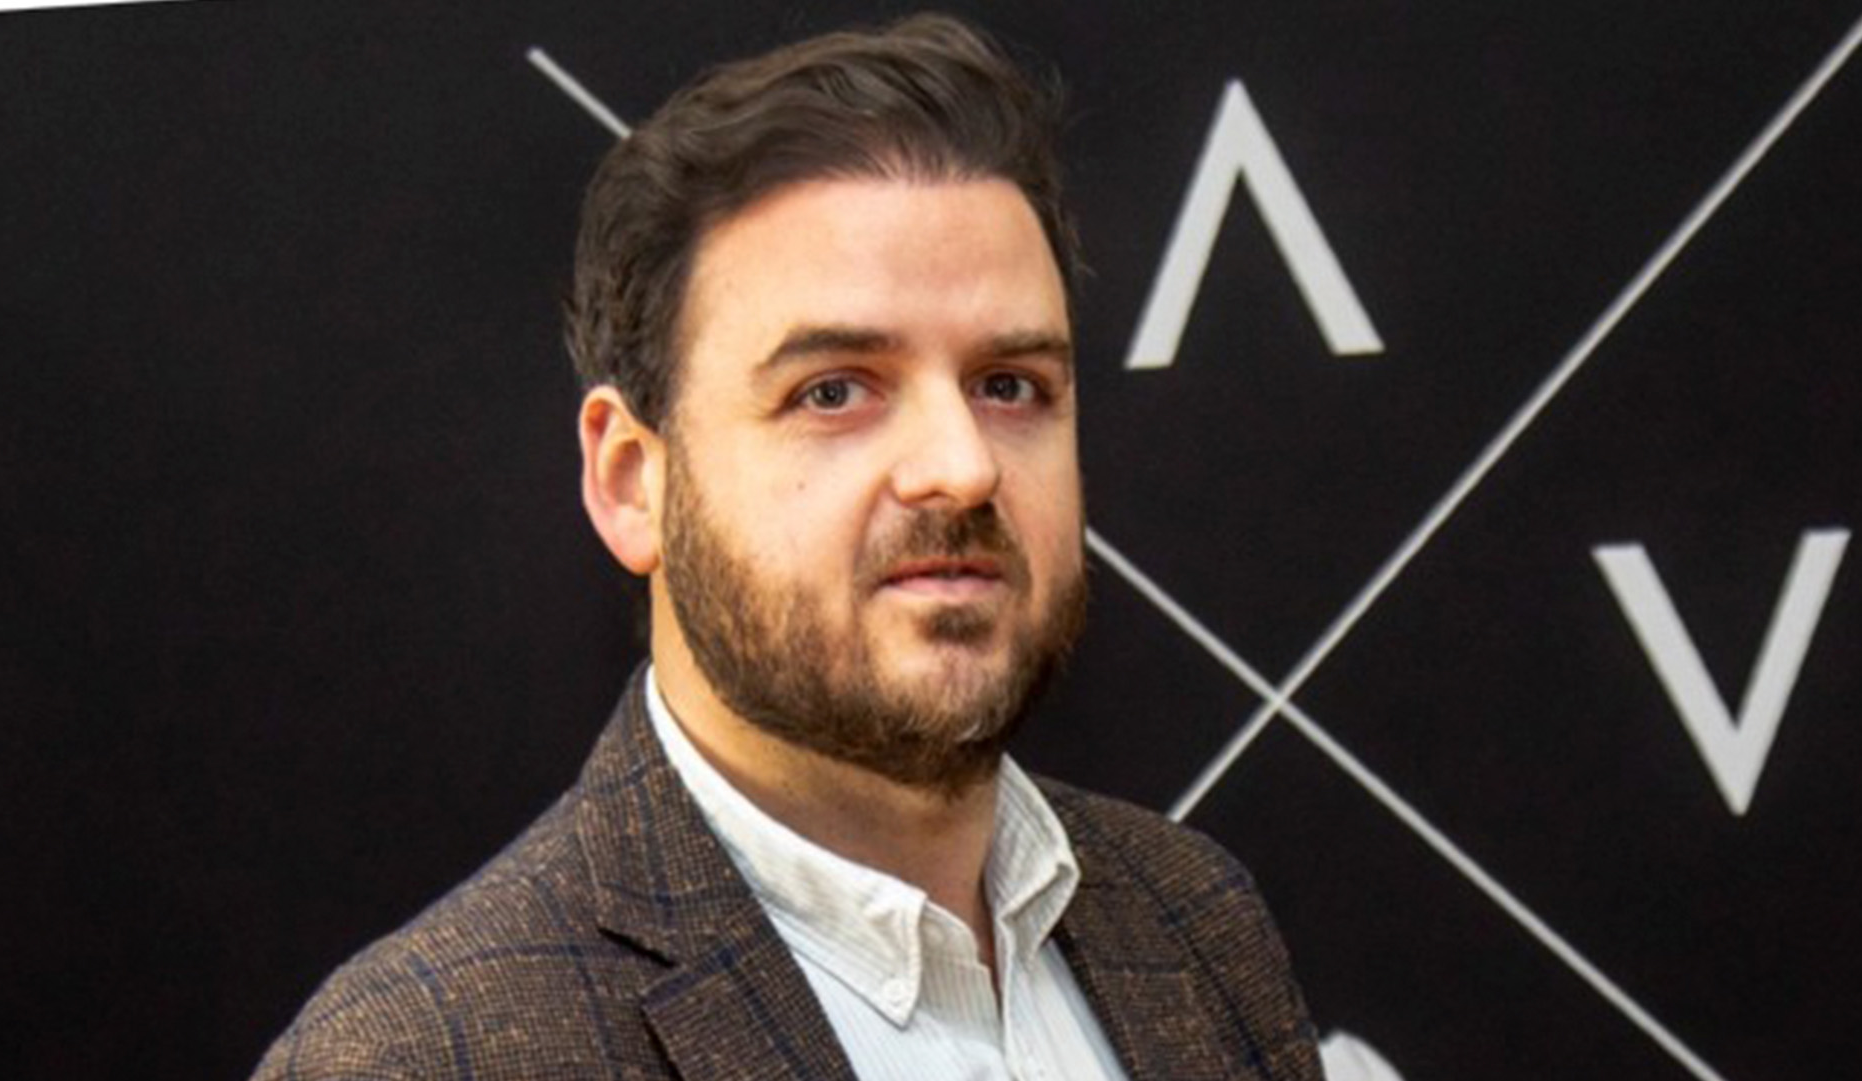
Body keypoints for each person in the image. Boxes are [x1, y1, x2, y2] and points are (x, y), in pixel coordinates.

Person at [253, 13, 1321, 1081]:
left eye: (1009, 385)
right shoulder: (421, 1058)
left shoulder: (1195, 921)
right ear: (630, 479)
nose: (962, 466)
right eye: (835, 391)